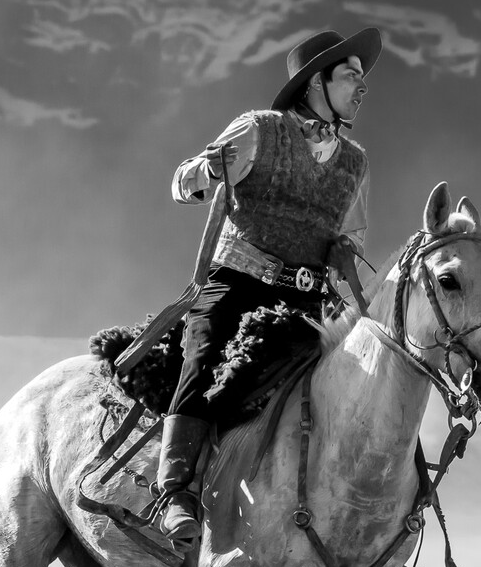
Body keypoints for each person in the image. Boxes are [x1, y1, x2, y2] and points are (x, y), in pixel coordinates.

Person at [153, 27, 383, 540]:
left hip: (306, 303)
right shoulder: (259, 130)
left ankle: (369, 529)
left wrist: (343, 253)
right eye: (350, 75)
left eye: (362, 78)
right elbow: (181, 183)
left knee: (361, 384)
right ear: (315, 82)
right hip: (237, 286)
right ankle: (177, 492)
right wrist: (206, 172)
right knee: (204, 355)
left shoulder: (356, 162)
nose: (362, 86)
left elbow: (352, 234)